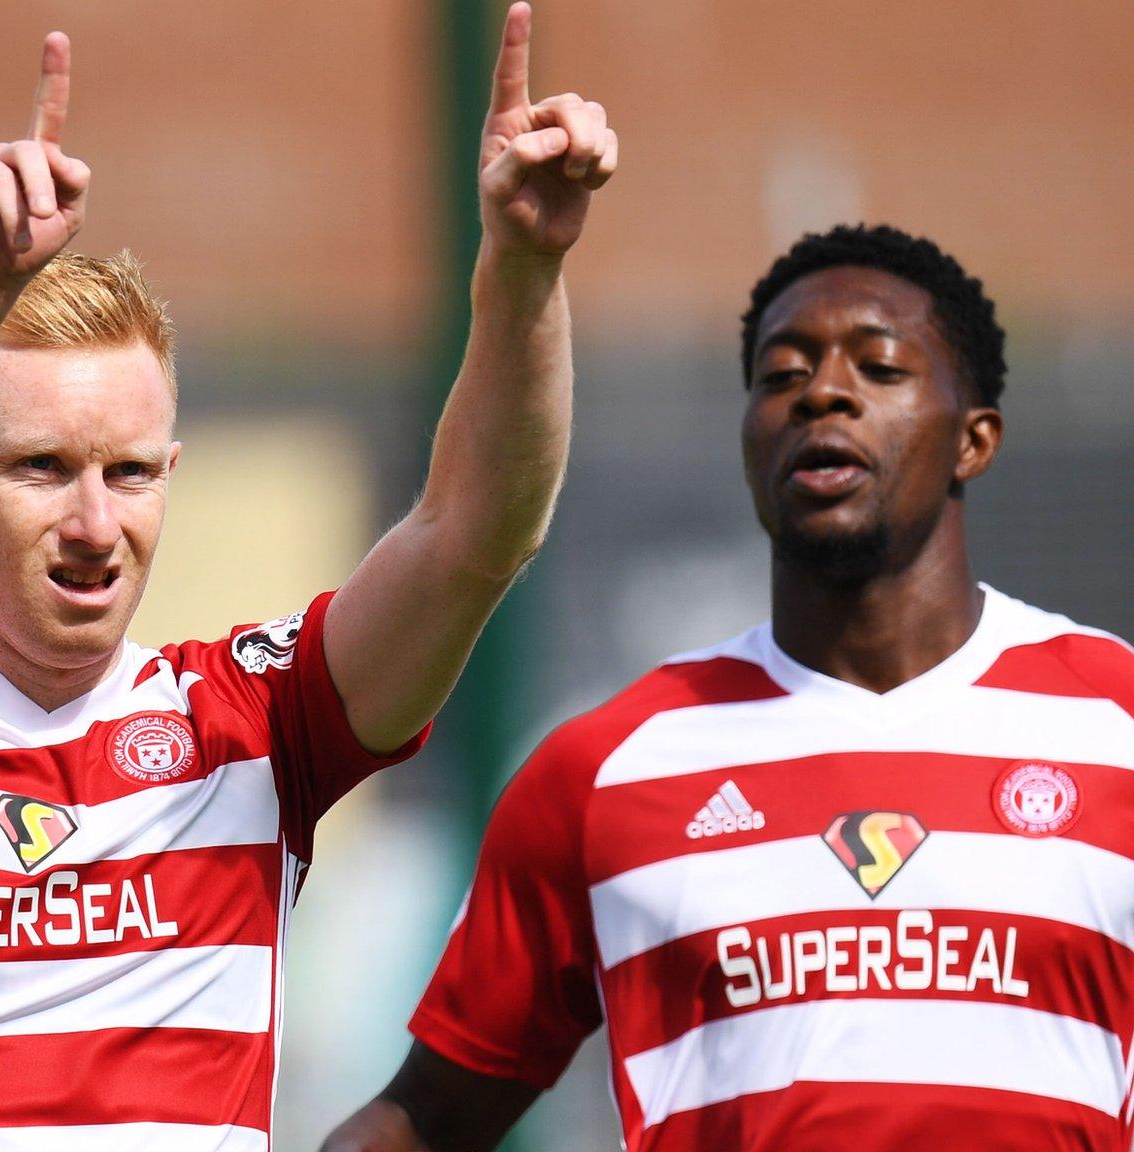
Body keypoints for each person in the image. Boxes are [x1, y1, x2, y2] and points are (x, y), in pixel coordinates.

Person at [0, 7, 617, 1148]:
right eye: (39, 468)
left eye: (129, 472)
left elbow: (473, 538)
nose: (93, 521)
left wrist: (524, 267)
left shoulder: (251, 720)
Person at [323, 223, 1134, 1152]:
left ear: (974, 441)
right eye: (782, 375)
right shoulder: (608, 770)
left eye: (878, 367)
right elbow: (422, 1120)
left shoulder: (1116, 721)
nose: (822, 392)